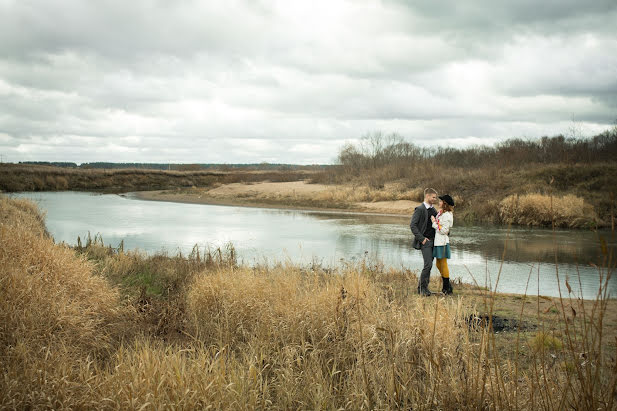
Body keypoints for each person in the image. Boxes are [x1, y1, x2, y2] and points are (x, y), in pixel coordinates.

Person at [410, 188, 438, 296]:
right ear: (427, 196)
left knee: (429, 266)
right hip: (425, 242)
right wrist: (422, 239)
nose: (435, 199)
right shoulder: (420, 209)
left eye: (435, 197)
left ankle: (425, 289)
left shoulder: (433, 210)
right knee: (428, 265)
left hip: (433, 242)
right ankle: (421, 289)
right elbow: (413, 225)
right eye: (433, 197)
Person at [431, 194, 455, 295]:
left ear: (445, 204)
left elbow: (444, 230)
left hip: (443, 243)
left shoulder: (447, 215)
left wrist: (434, 223)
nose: (439, 202)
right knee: (438, 264)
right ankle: (448, 286)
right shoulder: (441, 213)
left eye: (441, 201)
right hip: (438, 242)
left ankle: (446, 289)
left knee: (443, 264)